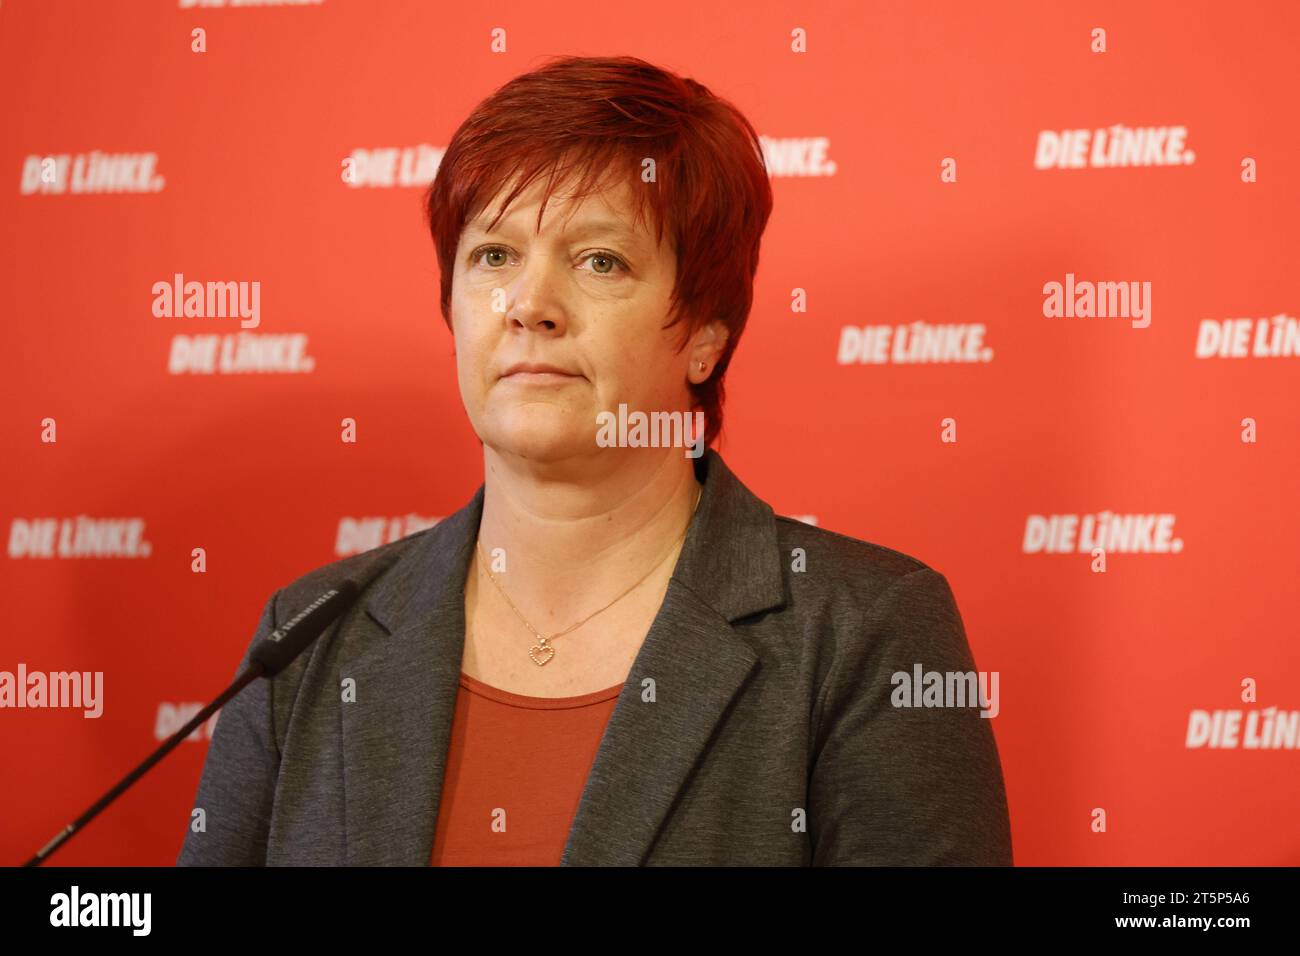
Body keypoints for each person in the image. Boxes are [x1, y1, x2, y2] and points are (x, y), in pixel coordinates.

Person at [177, 54, 1012, 866]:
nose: (530, 306)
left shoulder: (865, 632)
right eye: (493, 256)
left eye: (598, 261)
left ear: (705, 337)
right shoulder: (312, 637)